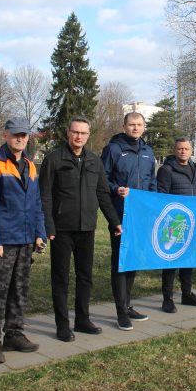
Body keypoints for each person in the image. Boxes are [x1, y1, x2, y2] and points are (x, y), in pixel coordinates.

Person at [40, 116, 121, 342]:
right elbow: (44, 195)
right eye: (75, 132)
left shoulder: (94, 161)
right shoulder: (54, 159)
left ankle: (82, 319)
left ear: (88, 135)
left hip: (87, 228)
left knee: (85, 277)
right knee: (61, 279)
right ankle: (62, 325)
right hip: (61, 229)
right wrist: (48, 225)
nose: (79, 136)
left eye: (83, 133)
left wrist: (114, 221)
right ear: (68, 133)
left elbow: (102, 193)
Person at [0, 117, 46, 364]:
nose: (20, 138)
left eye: (24, 134)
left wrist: (39, 233)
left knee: (19, 290)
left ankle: (14, 334)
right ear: (5, 135)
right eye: (15, 134)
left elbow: (36, 204)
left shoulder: (30, 166)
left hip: (25, 239)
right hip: (2, 242)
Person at [101, 112, 156, 330]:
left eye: (139, 124)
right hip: (120, 214)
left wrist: (152, 201)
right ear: (124, 126)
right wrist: (116, 189)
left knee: (133, 260)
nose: (135, 128)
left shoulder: (148, 151)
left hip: (141, 216)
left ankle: (127, 305)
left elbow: (152, 181)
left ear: (144, 127)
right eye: (131, 124)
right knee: (120, 262)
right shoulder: (113, 149)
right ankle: (120, 312)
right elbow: (103, 178)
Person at [157, 138, 196, 312]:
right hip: (174, 222)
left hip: (191, 222)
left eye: (186, 149)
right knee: (170, 262)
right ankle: (167, 299)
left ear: (191, 150)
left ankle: (187, 294)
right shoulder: (166, 170)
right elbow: (162, 195)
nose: (183, 151)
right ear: (175, 150)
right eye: (180, 148)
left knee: (188, 260)